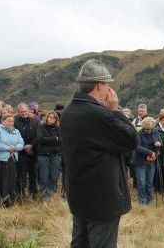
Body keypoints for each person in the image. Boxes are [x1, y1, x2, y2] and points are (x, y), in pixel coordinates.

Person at [60, 59, 137, 248]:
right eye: (107, 84)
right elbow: (131, 139)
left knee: (80, 243)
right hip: (102, 198)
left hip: (79, 194)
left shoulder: (69, 111)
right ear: (99, 84)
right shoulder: (98, 114)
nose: (109, 89)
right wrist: (115, 110)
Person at [0, 113, 24, 206]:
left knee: (10, 180)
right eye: (8, 121)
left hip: (10, 160)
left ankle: (8, 201)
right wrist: (8, 148)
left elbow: (21, 144)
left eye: (12, 121)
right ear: (3, 121)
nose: (11, 123)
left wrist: (15, 148)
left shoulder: (16, 131)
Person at [14, 103, 39, 198]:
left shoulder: (35, 121)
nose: (24, 113)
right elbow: (15, 136)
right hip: (21, 152)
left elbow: (38, 135)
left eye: (25, 111)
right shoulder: (15, 122)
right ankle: (20, 195)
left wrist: (31, 145)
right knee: (21, 175)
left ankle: (34, 193)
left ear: (28, 110)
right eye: (22, 112)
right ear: (18, 112)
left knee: (33, 174)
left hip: (33, 152)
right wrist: (25, 146)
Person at [134, 117, 161, 205]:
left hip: (151, 161)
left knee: (149, 182)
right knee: (141, 181)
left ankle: (149, 199)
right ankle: (142, 200)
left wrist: (158, 143)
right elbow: (137, 147)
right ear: (144, 127)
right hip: (140, 161)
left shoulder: (155, 132)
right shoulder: (139, 134)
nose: (149, 130)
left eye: (151, 129)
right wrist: (149, 152)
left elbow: (160, 142)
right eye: (147, 129)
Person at [37, 110, 62, 201]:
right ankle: (45, 196)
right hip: (43, 155)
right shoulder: (41, 127)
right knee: (44, 176)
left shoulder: (59, 128)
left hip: (56, 155)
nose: (51, 119)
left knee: (54, 176)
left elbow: (61, 141)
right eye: (49, 117)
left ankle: (52, 195)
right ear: (46, 117)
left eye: (53, 117)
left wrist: (48, 140)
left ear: (56, 119)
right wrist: (55, 138)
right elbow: (40, 139)